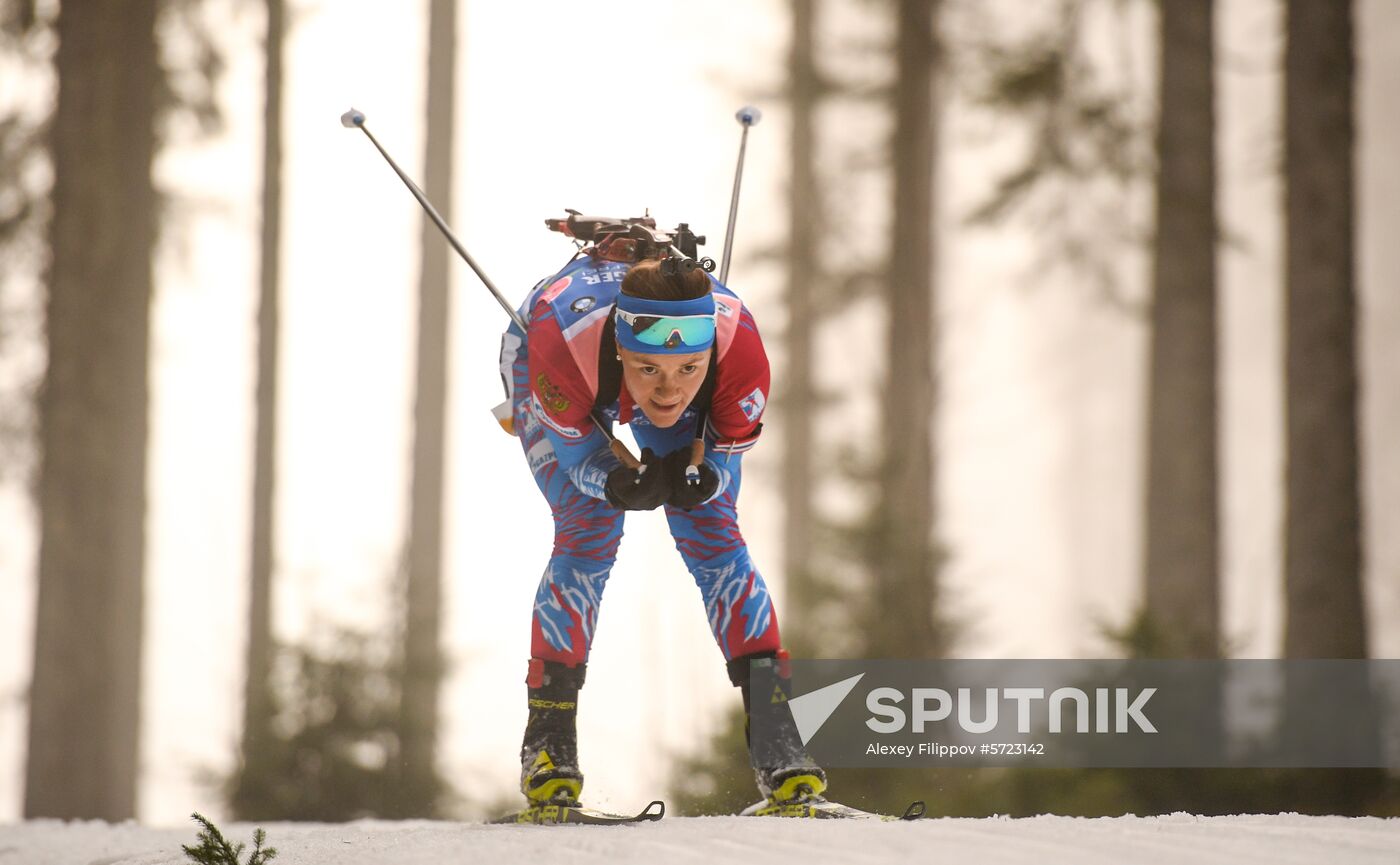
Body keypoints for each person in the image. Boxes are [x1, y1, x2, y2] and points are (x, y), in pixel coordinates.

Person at [496, 248, 827, 815]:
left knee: (712, 532)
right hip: (555, 367)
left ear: (709, 357)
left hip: (644, 367)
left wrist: (709, 471)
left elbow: (726, 449)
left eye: (687, 370)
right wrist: (615, 483)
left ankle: (781, 746)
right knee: (588, 529)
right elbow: (577, 453)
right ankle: (548, 747)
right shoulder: (565, 342)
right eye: (650, 368)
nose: (669, 391)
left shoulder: (740, 352)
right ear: (624, 349)